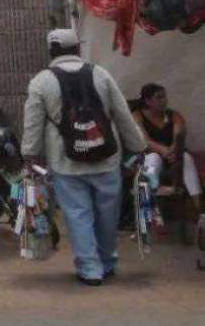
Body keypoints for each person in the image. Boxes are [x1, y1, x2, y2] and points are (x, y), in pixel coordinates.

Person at [22, 28, 146, 286]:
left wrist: (30, 155)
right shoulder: (100, 74)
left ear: (51, 51)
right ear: (77, 48)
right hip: (106, 157)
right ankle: (108, 261)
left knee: (78, 215)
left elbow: (33, 124)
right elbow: (122, 113)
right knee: (108, 215)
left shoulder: (41, 82)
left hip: (65, 162)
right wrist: (138, 146)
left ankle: (90, 269)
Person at [134, 82, 201, 209]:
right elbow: (145, 141)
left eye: (164, 96)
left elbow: (179, 136)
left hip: (172, 156)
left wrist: (173, 150)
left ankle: (199, 210)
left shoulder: (174, 115)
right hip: (149, 156)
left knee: (186, 158)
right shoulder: (138, 116)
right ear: (148, 101)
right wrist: (163, 150)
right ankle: (149, 209)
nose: (164, 100)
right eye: (159, 97)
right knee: (153, 158)